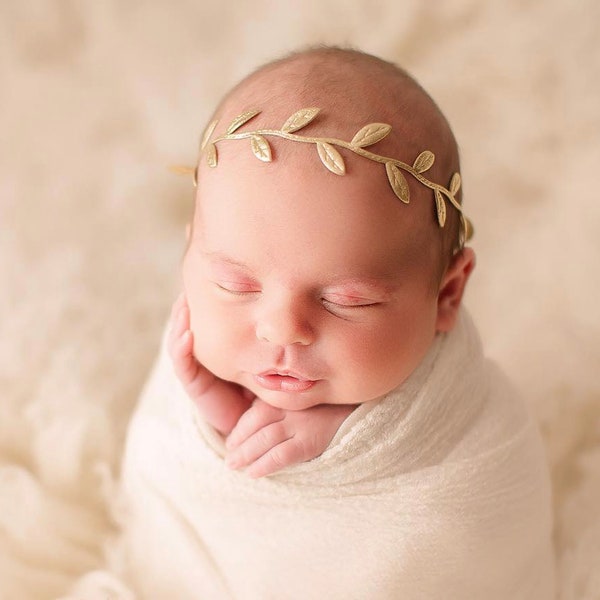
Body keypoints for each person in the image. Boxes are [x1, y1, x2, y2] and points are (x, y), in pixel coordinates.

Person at [120, 46, 555, 599]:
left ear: (447, 294)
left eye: (346, 301)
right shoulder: (193, 347)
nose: (281, 329)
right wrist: (221, 415)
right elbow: (177, 483)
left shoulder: (480, 446)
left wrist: (345, 441)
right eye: (235, 286)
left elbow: (468, 549)